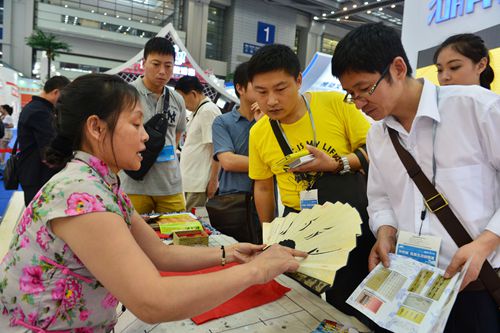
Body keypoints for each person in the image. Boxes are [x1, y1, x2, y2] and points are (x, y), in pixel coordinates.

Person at [0, 73, 307, 332]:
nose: (146, 137)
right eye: (136, 124)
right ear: (96, 128)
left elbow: (160, 254)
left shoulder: (101, 183)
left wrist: (230, 253)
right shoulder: (80, 192)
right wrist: (257, 272)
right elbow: (152, 301)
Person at [331, 23, 500, 332]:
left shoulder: (477, 109)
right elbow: (380, 197)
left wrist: (487, 242)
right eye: (350, 95)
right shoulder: (377, 137)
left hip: (474, 283)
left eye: (365, 88)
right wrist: (385, 231)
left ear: (398, 68)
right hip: (411, 283)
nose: (359, 103)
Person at [247, 44, 375, 326]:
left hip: (348, 218)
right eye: (261, 91)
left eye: (280, 89)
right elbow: (264, 187)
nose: (271, 101)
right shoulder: (258, 132)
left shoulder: (334, 105)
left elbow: (375, 150)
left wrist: (337, 164)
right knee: (300, 300)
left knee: (351, 300)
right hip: (297, 223)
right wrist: (268, 235)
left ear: (299, 81)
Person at [120, 37, 188, 215]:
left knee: (177, 233)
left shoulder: (177, 99)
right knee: (132, 237)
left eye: (168, 66)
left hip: (170, 185)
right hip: (134, 183)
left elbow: (178, 133)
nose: (162, 71)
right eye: (156, 64)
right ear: (144, 63)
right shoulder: (126, 95)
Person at [211, 62, 263, 242]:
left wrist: (262, 124)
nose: (262, 89)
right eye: (256, 85)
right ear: (240, 88)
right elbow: (228, 162)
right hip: (233, 200)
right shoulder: (222, 122)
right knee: (233, 252)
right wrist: (271, 164)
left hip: (266, 200)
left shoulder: (271, 121)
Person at [17, 75, 70, 206]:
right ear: (56, 92)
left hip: (35, 173)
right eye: (64, 96)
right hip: (38, 175)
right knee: (38, 218)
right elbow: (50, 147)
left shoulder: (36, 108)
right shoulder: (40, 111)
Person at [175, 76, 221, 211]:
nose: (181, 104)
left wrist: (213, 181)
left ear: (193, 94)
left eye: (182, 99)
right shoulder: (198, 112)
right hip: (191, 182)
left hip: (199, 184)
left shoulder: (208, 111)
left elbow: (216, 150)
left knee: (191, 226)